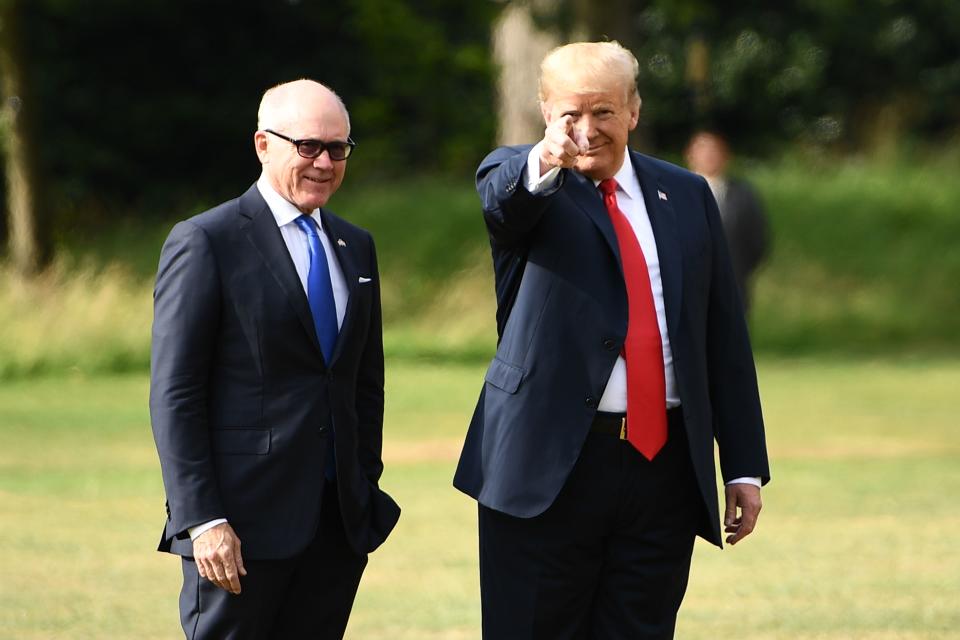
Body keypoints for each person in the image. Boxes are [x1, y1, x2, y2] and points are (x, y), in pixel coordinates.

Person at [454, 42, 770, 639]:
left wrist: (744, 465)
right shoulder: (523, 179)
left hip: (664, 468)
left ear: (634, 111)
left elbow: (723, 335)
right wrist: (548, 157)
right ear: (545, 112)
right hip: (548, 471)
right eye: (569, 113)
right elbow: (505, 205)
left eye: (603, 112)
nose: (585, 130)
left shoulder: (687, 195)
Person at [150, 79, 399, 639]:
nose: (325, 162)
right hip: (238, 530)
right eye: (308, 146)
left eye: (338, 149)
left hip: (336, 525)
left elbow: (364, 381)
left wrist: (363, 481)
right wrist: (203, 519)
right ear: (264, 145)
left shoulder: (355, 245)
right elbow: (176, 393)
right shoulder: (206, 241)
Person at [685, 131, 770, 314]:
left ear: (725, 156)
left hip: (733, 287)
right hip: (686, 289)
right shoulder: (673, 194)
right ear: (690, 156)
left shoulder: (744, 194)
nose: (708, 156)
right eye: (702, 150)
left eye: (713, 150)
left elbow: (757, 241)